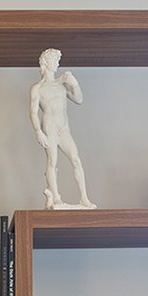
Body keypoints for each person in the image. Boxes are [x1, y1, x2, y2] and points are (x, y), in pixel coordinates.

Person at [29, 48, 96, 210]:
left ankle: (84, 198)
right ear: (45, 62)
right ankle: (56, 197)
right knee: (52, 161)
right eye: (54, 60)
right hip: (49, 127)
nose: (57, 64)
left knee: (76, 159)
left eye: (58, 61)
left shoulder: (62, 84)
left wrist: (75, 84)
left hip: (64, 128)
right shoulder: (37, 88)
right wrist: (38, 131)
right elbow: (33, 112)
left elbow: (79, 99)